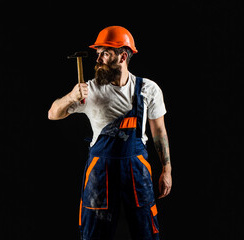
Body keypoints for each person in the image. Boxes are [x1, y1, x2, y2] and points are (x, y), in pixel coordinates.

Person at [48, 26, 172, 240]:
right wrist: (71, 97)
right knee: (95, 234)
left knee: (146, 232)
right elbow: (52, 113)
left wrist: (166, 170)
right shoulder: (90, 90)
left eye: (105, 53)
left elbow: (159, 131)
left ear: (123, 55)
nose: (98, 59)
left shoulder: (148, 89)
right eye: (98, 53)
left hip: (137, 170)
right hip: (100, 172)